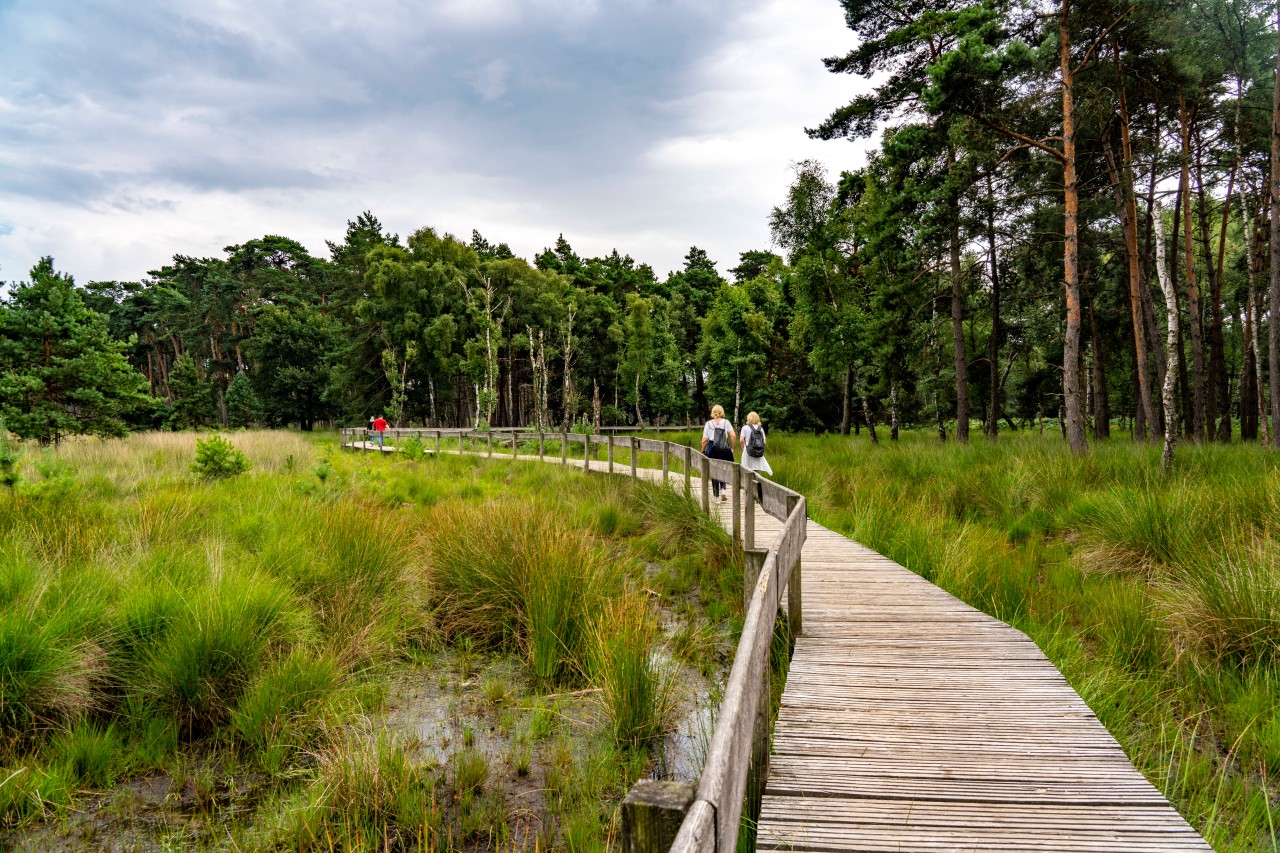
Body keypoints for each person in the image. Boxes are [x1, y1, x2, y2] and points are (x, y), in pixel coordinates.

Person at [700, 404, 736, 501]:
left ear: (713, 412)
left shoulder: (708, 423)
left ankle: (717, 497)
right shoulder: (726, 422)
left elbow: (704, 440)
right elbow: (733, 436)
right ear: (722, 412)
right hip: (724, 447)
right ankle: (723, 490)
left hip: (712, 447)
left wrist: (702, 451)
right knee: (723, 468)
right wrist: (731, 448)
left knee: (714, 471)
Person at [738, 411, 771, 500]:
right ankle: (756, 494)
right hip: (758, 453)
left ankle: (747, 492)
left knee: (747, 471)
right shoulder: (760, 428)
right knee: (756, 472)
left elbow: (741, 440)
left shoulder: (745, 428)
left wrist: (743, 448)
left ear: (749, 418)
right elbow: (764, 442)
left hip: (747, 452)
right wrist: (760, 449)